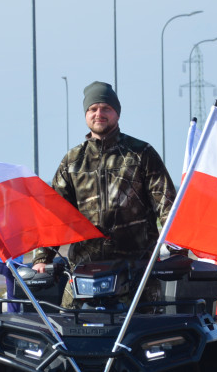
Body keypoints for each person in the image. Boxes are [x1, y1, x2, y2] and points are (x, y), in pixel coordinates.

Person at [30, 81, 176, 308]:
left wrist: (177, 249)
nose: (99, 114)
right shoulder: (73, 160)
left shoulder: (141, 153)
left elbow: (166, 203)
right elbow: (54, 213)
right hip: (84, 271)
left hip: (136, 270)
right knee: (71, 332)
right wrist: (42, 257)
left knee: (141, 335)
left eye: (106, 108)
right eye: (93, 109)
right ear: (86, 114)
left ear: (117, 112)